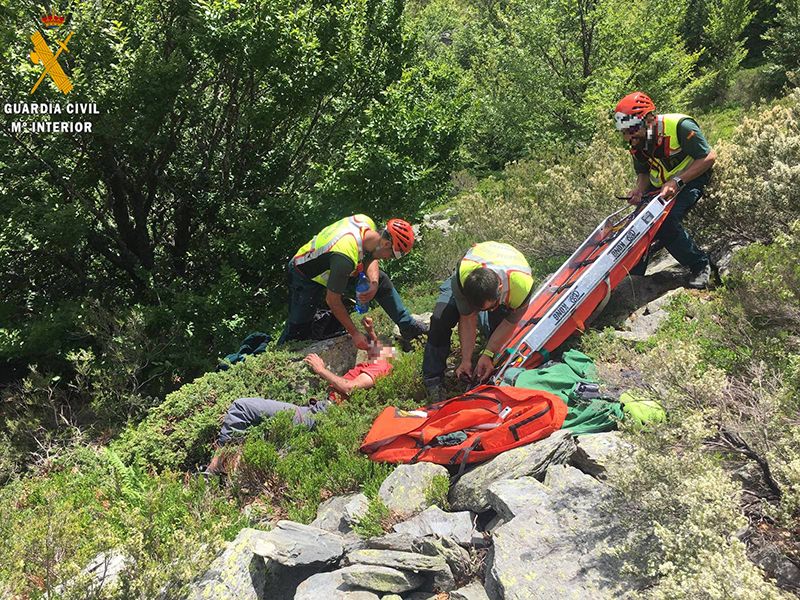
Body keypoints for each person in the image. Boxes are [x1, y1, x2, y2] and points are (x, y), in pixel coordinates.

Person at [204, 317, 394, 476]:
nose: (369, 346)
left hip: (322, 414)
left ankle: (216, 467)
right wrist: (371, 330)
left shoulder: (381, 367)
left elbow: (350, 388)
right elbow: (378, 348)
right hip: (319, 410)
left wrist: (320, 369)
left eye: (376, 346)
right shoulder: (376, 364)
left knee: (242, 407)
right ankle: (230, 465)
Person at [278, 214, 427, 350]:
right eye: (392, 255)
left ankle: (407, 325)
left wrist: (374, 284)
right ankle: (278, 355)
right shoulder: (345, 257)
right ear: (386, 244)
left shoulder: (366, 223)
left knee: (380, 279)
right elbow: (332, 300)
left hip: (332, 265)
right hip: (304, 275)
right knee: (298, 330)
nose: (389, 259)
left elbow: (370, 255)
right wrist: (355, 334)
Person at [614, 91, 716, 288]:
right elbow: (643, 172)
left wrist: (677, 181)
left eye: (631, 129)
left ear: (649, 120)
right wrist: (639, 190)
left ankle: (700, 264)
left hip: (690, 179)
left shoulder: (680, 126)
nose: (627, 136)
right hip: (660, 186)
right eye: (623, 131)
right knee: (638, 224)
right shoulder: (637, 141)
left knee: (664, 222)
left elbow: (708, 157)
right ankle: (634, 278)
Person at [422, 241, 534, 400]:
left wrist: (488, 353)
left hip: (512, 280)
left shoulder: (521, 288)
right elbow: (467, 318)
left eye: (489, 307)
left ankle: (487, 365)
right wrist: (465, 360)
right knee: (440, 318)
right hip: (471, 278)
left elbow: (510, 323)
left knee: (495, 335)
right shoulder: (463, 276)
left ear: (500, 289)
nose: (486, 310)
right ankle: (432, 379)